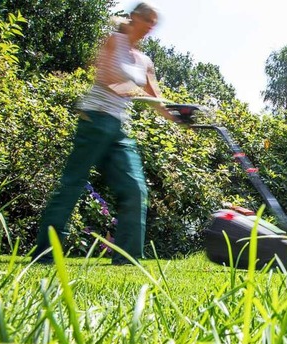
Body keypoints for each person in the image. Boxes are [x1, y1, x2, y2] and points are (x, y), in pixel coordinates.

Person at [32, 2, 179, 265]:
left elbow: (156, 99)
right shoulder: (114, 41)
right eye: (147, 19)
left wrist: (180, 117)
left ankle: (127, 258)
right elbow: (110, 79)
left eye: (153, 23)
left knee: (135, 189)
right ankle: (46, 252)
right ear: (134, 17)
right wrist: (138, 94)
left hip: (119, 128)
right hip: (95, 119)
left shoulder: (145, 60)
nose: (150, 26)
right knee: (72, 184)